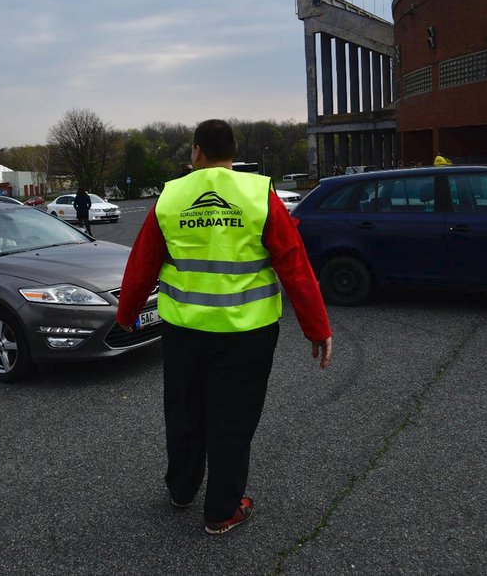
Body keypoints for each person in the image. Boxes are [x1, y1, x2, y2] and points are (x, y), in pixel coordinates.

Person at [116, 119, 333, 535]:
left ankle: (181, 490)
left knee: (184, 413)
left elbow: (141, 263)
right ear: (233, 152)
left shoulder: (171, 196)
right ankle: (222, 511)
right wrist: (317, 328)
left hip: (184, 332)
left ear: (196, 152)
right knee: (232, 421)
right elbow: (295, 265)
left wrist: (126, 314)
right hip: (247, 336)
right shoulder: (258, 194)